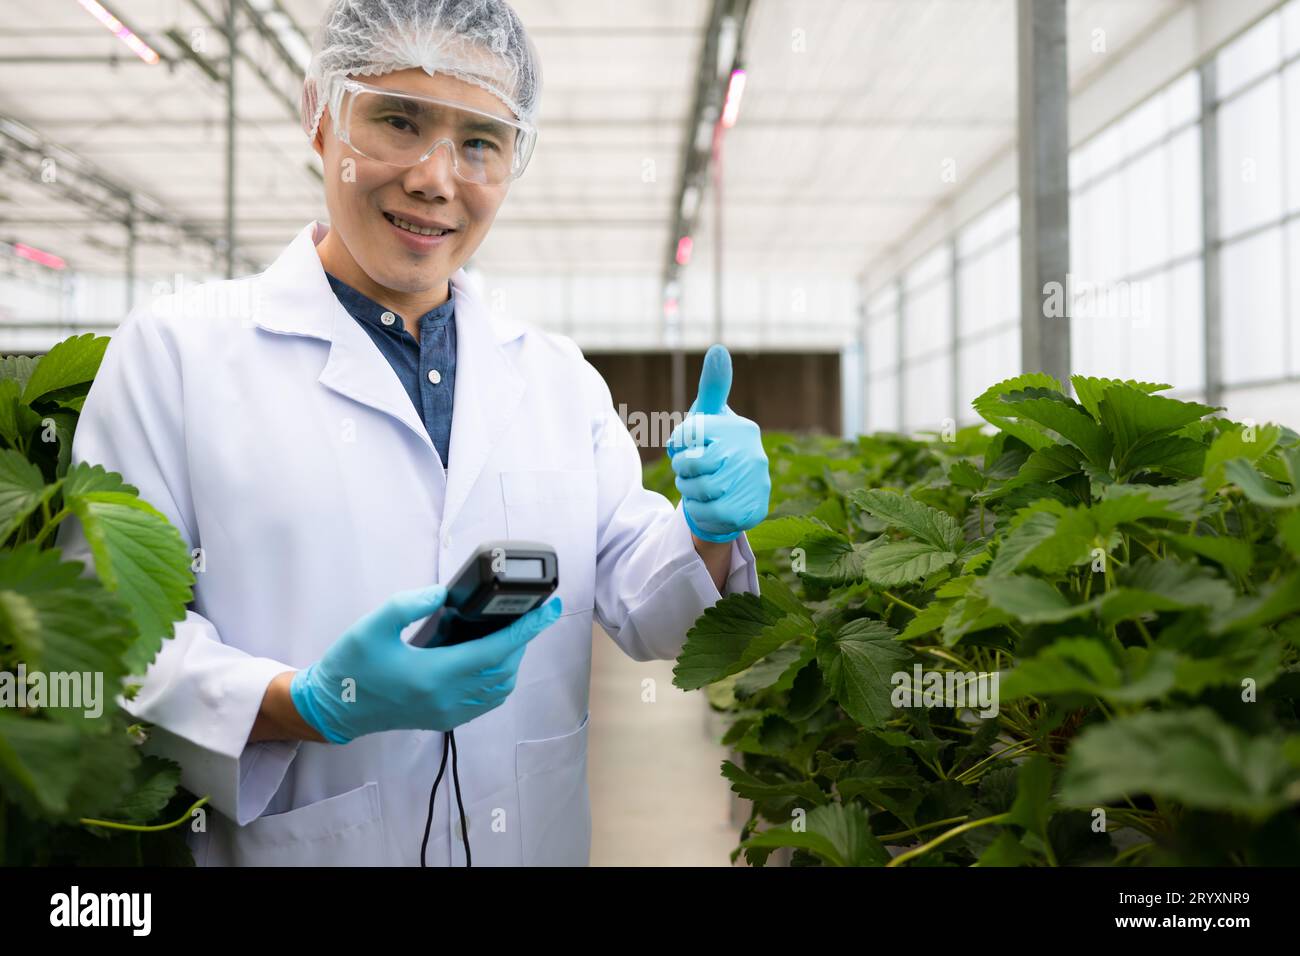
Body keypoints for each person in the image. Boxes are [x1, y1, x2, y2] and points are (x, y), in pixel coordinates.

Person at [57, 0, 770, 866]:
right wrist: (304, 703)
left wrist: (707, 529)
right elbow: (106, 640)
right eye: (398, 120)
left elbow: (652, 616)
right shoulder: (176, 357)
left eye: (481, 142)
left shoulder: (556, 379)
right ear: (321, 117)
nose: (437, 177)